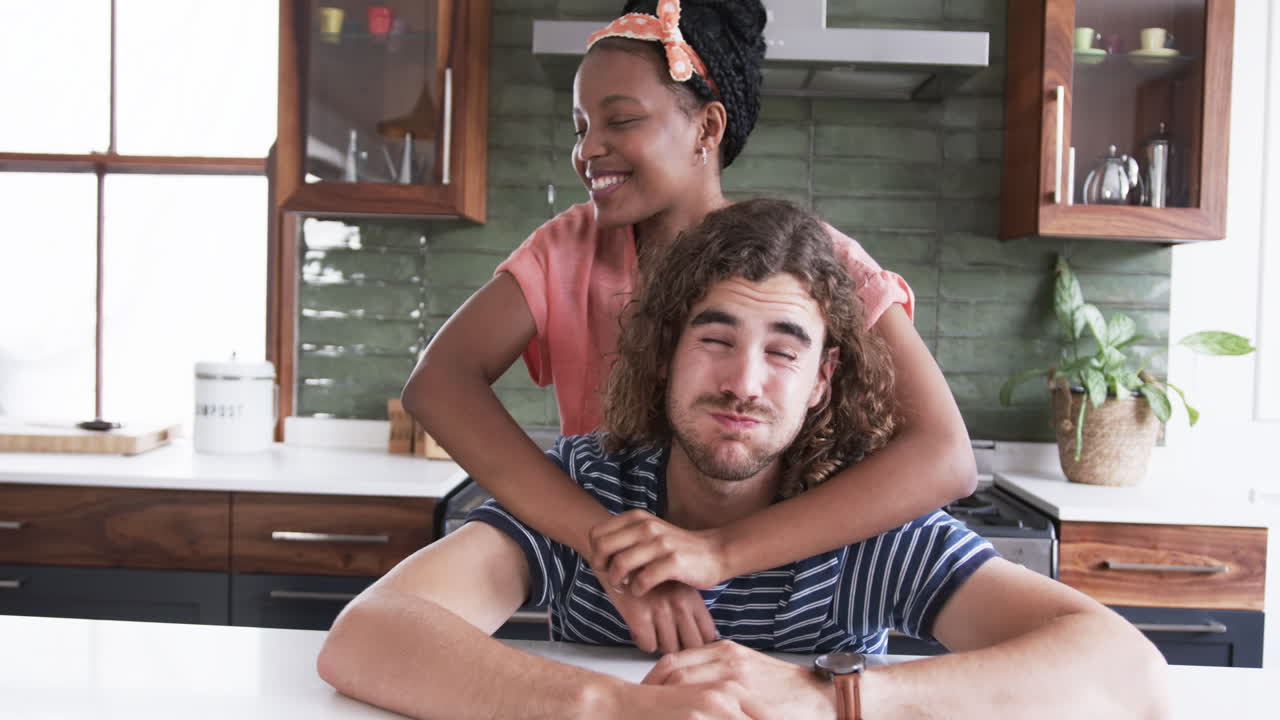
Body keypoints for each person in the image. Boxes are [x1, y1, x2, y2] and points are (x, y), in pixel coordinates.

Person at [322, 199, 1169, 720]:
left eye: (783, 351)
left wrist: (826, 699)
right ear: (662, 355)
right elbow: (367, 637)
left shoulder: (868, 533)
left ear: (822, 380)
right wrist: (615, 708)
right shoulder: (591, 490)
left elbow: (1129, 675)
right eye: (715, 338)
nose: (743, 382)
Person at [402, 0, 977, 654]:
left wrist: (714, 554)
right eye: (581, 126)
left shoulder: (812, 262)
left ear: (707, 128)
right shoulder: (570, 248)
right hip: (614, 619)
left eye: (620, 120)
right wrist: (615, 548)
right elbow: (439, 383)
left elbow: (945, 456)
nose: (588, 149)